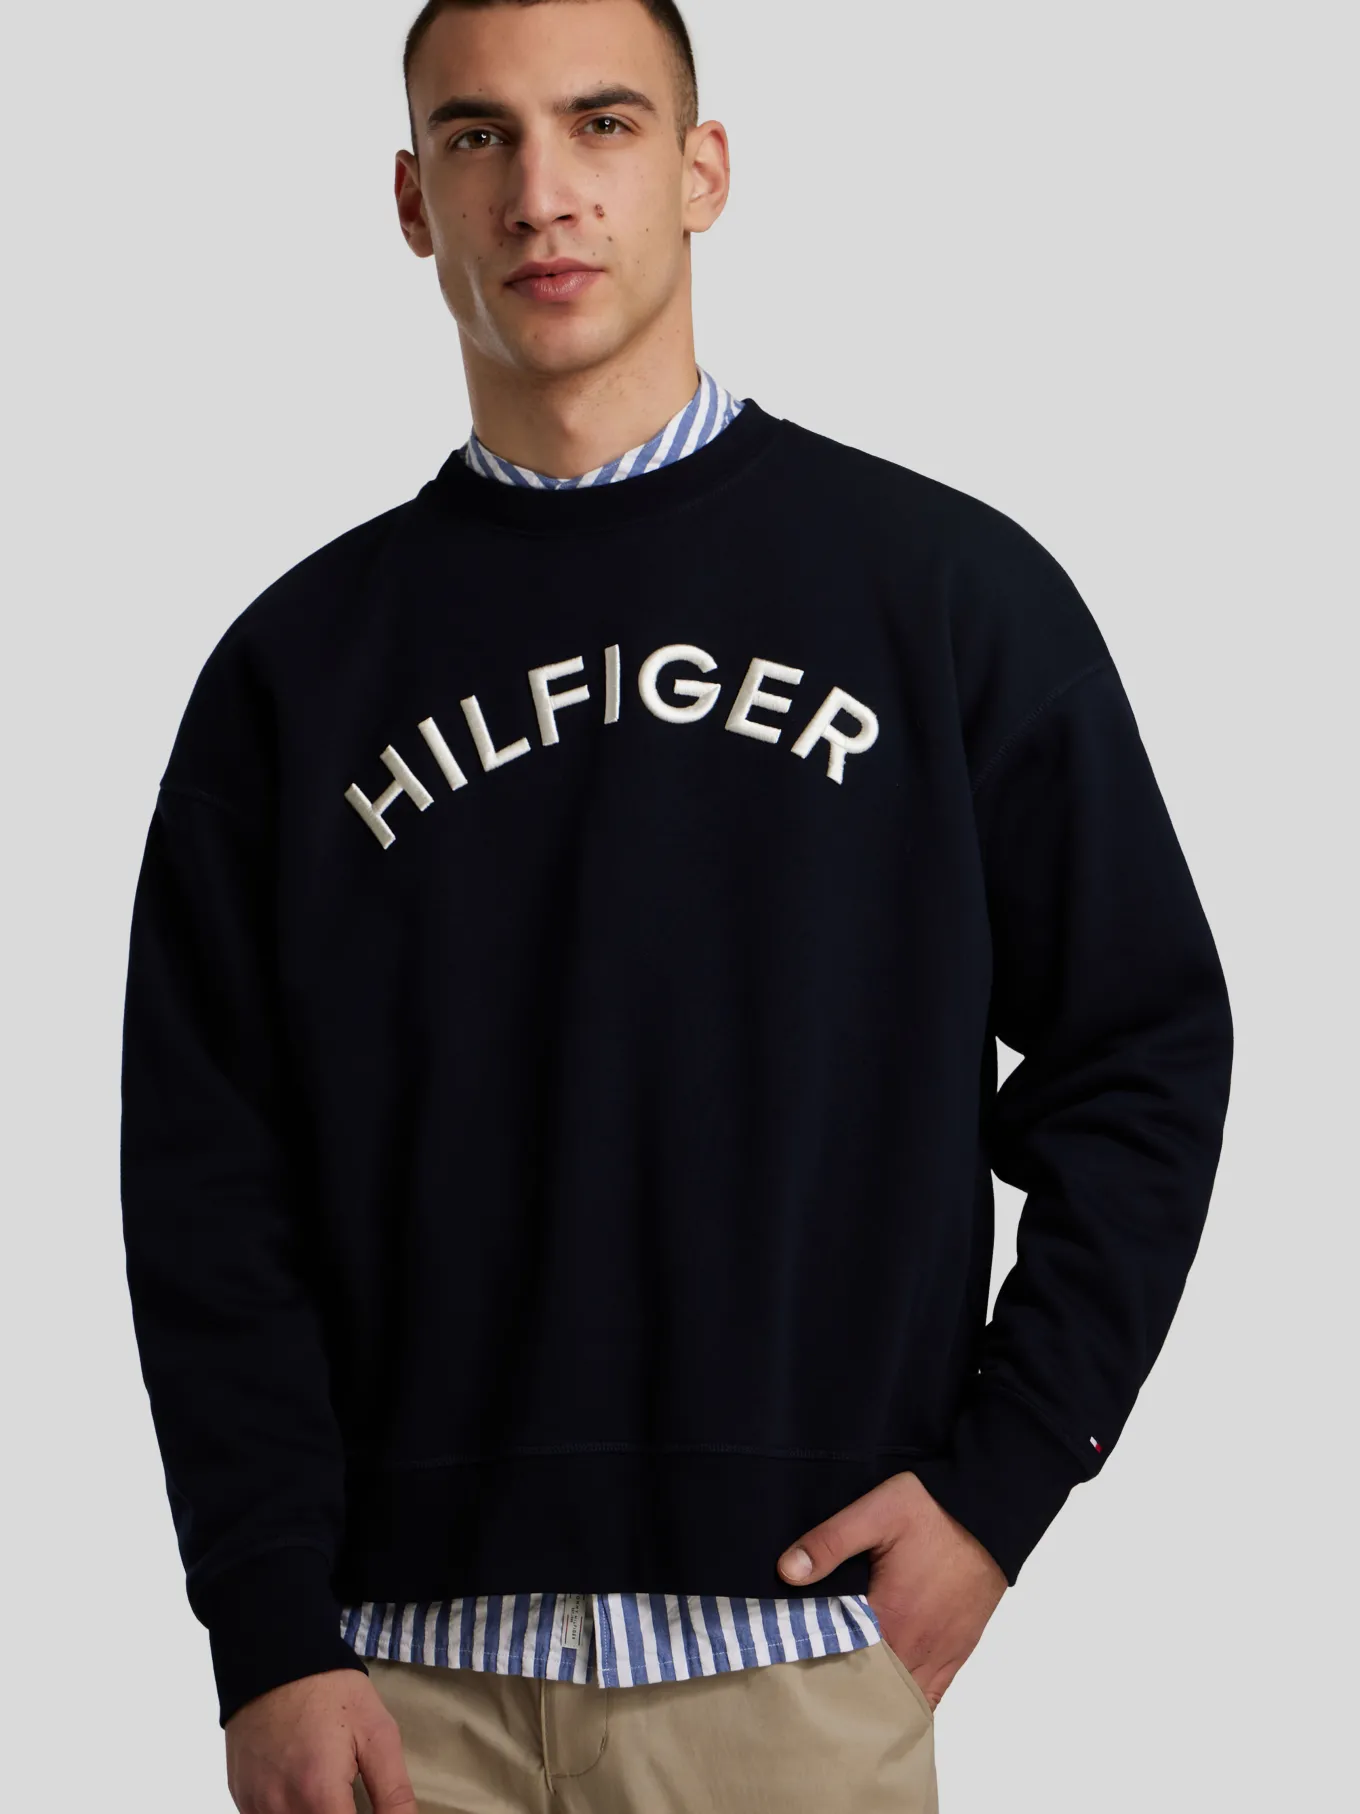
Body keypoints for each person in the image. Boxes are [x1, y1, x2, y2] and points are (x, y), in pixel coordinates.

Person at [117, 1, 1234, 1809]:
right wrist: (264, 1630)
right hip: (394, 1692)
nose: (541, 191)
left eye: (604, 123)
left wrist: (1005, 1481)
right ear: (411, 200)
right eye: (478, 137)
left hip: (791, 1666)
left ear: (703, 169)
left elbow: (1145, 1046)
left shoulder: (946, 596)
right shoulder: (296, 672)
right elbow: (205, 1181)